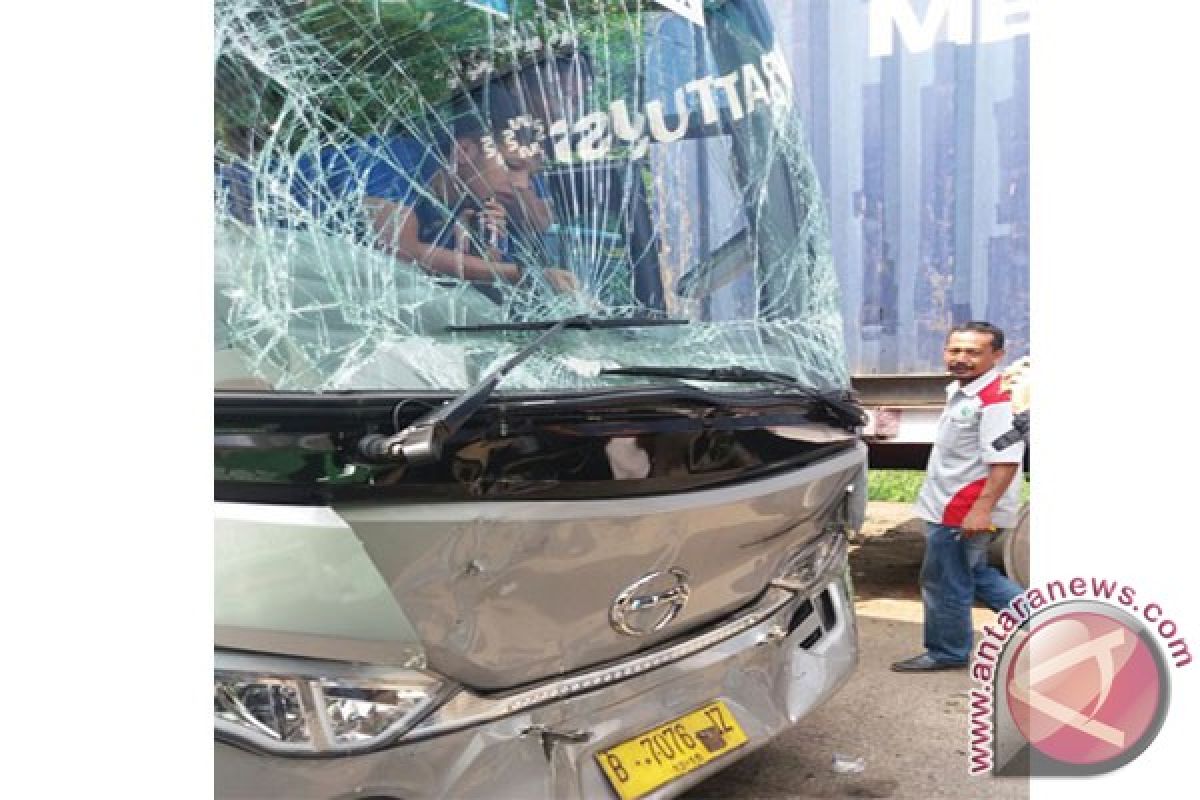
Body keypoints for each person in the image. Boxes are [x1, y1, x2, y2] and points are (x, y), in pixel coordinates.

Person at [295, 81, 577, 293]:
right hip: (257, 235)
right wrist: (523, 275)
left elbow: (538, 224)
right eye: (513, 168)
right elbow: (401, 251)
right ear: (465, 151)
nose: (523, 185)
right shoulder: (389, 161)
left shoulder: (477, 197)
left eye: (531, 174)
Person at [891, 321, 1026, 672]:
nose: (961, 358)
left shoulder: (994, 401)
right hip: (947, 503)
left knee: (946, 582)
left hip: (962, 510)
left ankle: (947, 652)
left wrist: (981, 511)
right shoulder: (962, 391)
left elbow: (1005, 462)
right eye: (955, 350)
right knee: (974, 574)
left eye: (973, 352)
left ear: (997, 356)